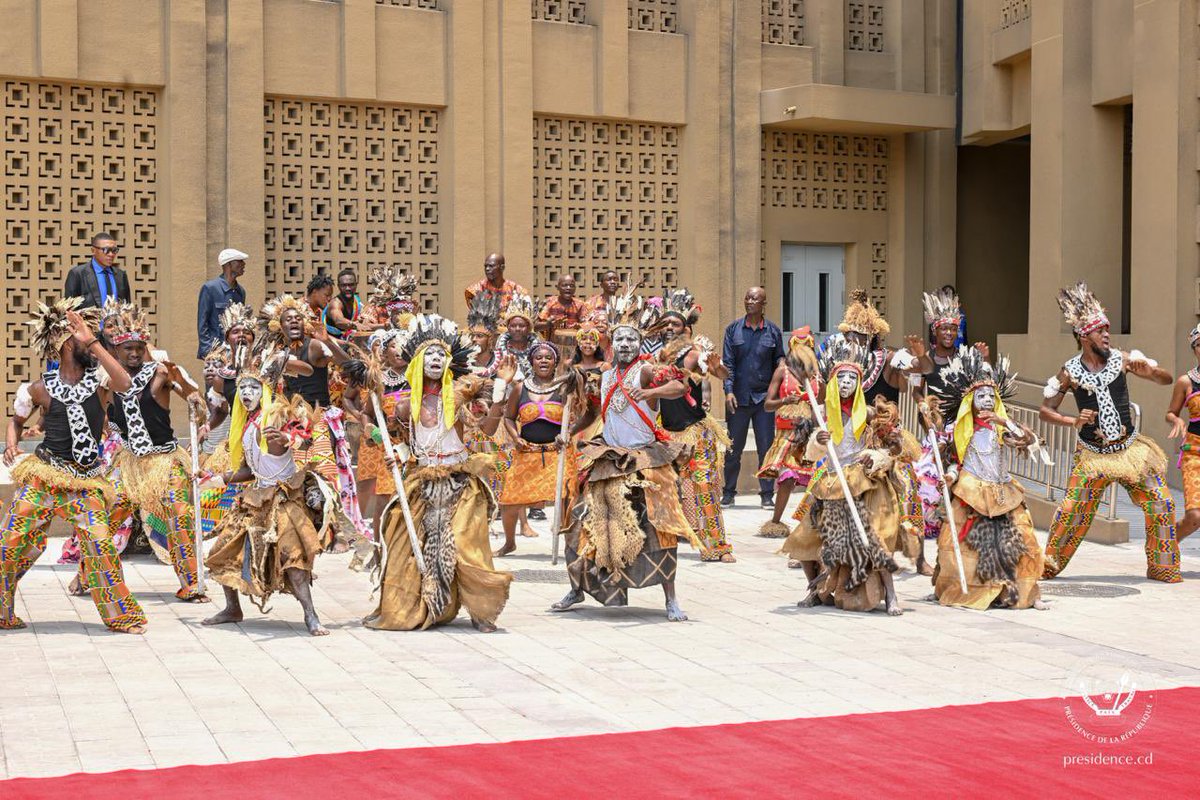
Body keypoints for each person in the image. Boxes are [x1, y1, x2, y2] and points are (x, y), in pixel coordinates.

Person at [0, 298, 146, 633]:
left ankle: (121, 616)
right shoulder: (39, 388)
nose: (92, 342)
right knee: (10, 543)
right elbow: (16, 420)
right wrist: (12, 445)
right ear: (66, 343)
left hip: (85, 482)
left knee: (100, 548)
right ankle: (2, 612)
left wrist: (93, 342)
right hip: (45, 477)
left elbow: (126, 384)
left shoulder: (100, 382)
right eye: (82, 336)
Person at [552, 292, 698, 621]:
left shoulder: (646, 370)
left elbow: (681, 387)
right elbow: (592, 413)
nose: (626, 344)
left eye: (632, 338)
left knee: (660, 526)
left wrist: (650, 393)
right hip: (608, 457)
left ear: (640, 342)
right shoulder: (603, 375)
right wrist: (569, 431)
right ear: (611, 342)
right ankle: (577, 586)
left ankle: (671, 599)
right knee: (582, 520)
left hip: (645, 459)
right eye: (620, 338)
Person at [364, 315, 513, 633]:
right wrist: (397, 455)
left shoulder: (461, 398)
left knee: (464, 543)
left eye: (441, 355)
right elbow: (402, 444)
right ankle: (414, 605)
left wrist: (499, 396)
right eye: (429, 354)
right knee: (403, 539)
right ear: (417, 362)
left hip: (460, 481)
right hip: (422, 479)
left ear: (449, 362)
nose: (435, 359)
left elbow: (486, 430)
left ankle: (480, 612)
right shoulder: (406, 406)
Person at [1040, 282, 1180, 583]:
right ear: (1083, 336)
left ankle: (1162, 566)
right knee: (1071, 511)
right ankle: (1047, 565)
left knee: (1162, 501)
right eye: (1100, 330)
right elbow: (1045, 409)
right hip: (1093, 455)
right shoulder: (1069, 371)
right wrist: (1072, 421)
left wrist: (1151, 372)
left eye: (1107, 329)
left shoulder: (1123, 359)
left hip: (1130, 450)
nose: (1106, 334)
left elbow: (1166, 379)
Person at [202, 349, 348, 636]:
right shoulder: (244, 426)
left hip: (285, 500)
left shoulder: (279, 414)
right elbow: (248, 469)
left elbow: (307, 441)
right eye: (242, 387)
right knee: (222, 550)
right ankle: (233, 608)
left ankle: (311, 614)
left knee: (293, 558)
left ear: (264, 390)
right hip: (255, 498)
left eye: (253, 387)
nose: (246, 392)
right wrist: (214, 479)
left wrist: (289, 439)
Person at [781, 338, 910, 615]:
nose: (847, 383)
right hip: (831, 480)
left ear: (860, 383)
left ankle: (891, 596)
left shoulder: (872, 414)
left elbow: (893, 447)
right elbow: (805, 453)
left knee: (875, 537)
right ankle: (815, 589)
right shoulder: (822, 413)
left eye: (853, 378)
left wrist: (877, 456)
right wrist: (818, 439)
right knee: (807, 535)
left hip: (865, 481)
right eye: (842, 378)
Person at [99, 300, 210, 603]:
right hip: (129, 464)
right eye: (127, 349)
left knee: (179, 515)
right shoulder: (108, 382)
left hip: (165, 461)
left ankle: (191, 584)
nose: (134, 353)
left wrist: (194, 402)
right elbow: (100, 415)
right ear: (116, 352)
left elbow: (191, 393)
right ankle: (88, 574)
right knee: (105, 518)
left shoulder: (160, 373)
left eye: (139, 347)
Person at [930, 346, 1047, 610]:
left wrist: (1004, 421)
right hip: (970, 491)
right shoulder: (959, 431)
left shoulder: (1000, 429)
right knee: (956, 544)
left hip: (1002, 491)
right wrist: (949, 477)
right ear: (969, 401)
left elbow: (1028, 440)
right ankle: (951, 588)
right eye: (980, 396)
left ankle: (1028, 593)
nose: (985, 400)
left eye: (990, 396)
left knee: (1023, 538)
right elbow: (954, 461)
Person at [656, 290, 735, 562]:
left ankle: (717, 546)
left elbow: (720, 372)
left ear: (686, 329)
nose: (669, 328)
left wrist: (719, 369)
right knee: (675, 490)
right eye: (665, 324)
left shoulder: (695, 352)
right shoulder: (655, 356)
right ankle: (682, 537)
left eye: (674, 324)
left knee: (704, 486)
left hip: (695, 432)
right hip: (665, 432)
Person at [487, 342, 575, 558]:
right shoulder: (520, 388)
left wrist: (566, 434)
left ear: (555, 362)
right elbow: (508, 417)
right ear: (532, 362)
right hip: (526, 453)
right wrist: (516, 437)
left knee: (566, 498)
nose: (543, 361)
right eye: (539, 358)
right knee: (509, 500)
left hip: (557, 454)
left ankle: (570, 545)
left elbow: (575, 417)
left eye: (548, 357)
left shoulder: (565, 389)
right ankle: (509, 543)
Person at [721, 286, 785, 508]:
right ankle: (728, 492)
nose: (749, 301)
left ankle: (767, 495)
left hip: (764, 401)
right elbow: (727, 364)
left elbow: (780, 361)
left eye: (754, 298)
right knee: (733, 449)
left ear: (763, 303)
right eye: (747, 297)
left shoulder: (773, 332)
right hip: (738, 399)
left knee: (766, 449)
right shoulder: (733, 330)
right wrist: (728, 391)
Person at [756, 327, 819, 538]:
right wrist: (785, 401)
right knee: (789, 478)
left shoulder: (817, 374)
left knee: (816, 479)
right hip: (788, 433)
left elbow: (824, 404)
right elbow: (767, 404)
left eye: (806, 346)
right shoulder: (782, 371)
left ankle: (812, 523)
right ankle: (775, 521)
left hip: (811, 434)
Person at [1167, 324, 1200, 542]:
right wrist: (1177, 420)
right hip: (1195, 452)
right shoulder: (1185, 382)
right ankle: (1166, 548)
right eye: (1199, 344)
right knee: (1194, 517)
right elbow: (1170, 412)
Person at [196, 248, 248, 358]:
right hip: (215, 351)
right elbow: (202, 323)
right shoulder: (210, 288)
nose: (244, 264)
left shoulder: (241, 292)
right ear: (228, 264)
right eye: (239, 261)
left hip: (235, 351)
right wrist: (209, 351)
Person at [64, 231, 133, 311]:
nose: (111, 254)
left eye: (114, 250)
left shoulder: (121, 275)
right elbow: (69, 311)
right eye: (106, 250)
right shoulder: (77, 274)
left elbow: (127, 308)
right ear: (93, 250)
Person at [537, 274, 586, 338]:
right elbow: (535, 327)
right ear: (557, 287)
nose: (568, 288)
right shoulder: (549, 302)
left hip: (575, 344)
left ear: (575, 288)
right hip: (552, 344)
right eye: (564, 285)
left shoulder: (580, 304)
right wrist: (549, 324)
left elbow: (587, 325)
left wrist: (580, 327)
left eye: (571, 286)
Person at [323, 268, 366, 339]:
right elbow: (339, 320)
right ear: (339, 286)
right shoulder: (335, 303)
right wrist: (355, 325)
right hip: (331, 344)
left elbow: (365, 325)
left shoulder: (356, 301)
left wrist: (384, 325)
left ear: (356, 285)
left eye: (351, 285)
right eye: (344, 285)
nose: (347, 288)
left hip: (349, 341)